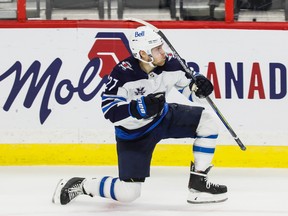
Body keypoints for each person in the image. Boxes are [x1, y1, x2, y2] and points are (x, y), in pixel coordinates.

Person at [52, 26, 227, 205]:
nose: (163, 52)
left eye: (161, 47)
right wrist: (136, 109)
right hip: (133, 134)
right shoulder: (122, 73)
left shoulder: (171, 64)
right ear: (143, 54)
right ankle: (82, 185)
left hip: (163, 118)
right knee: (128, 194)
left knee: (208, 122)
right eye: (157, 49)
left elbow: (188, 87)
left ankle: (198, 184)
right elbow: (109, 109)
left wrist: (200, 88)